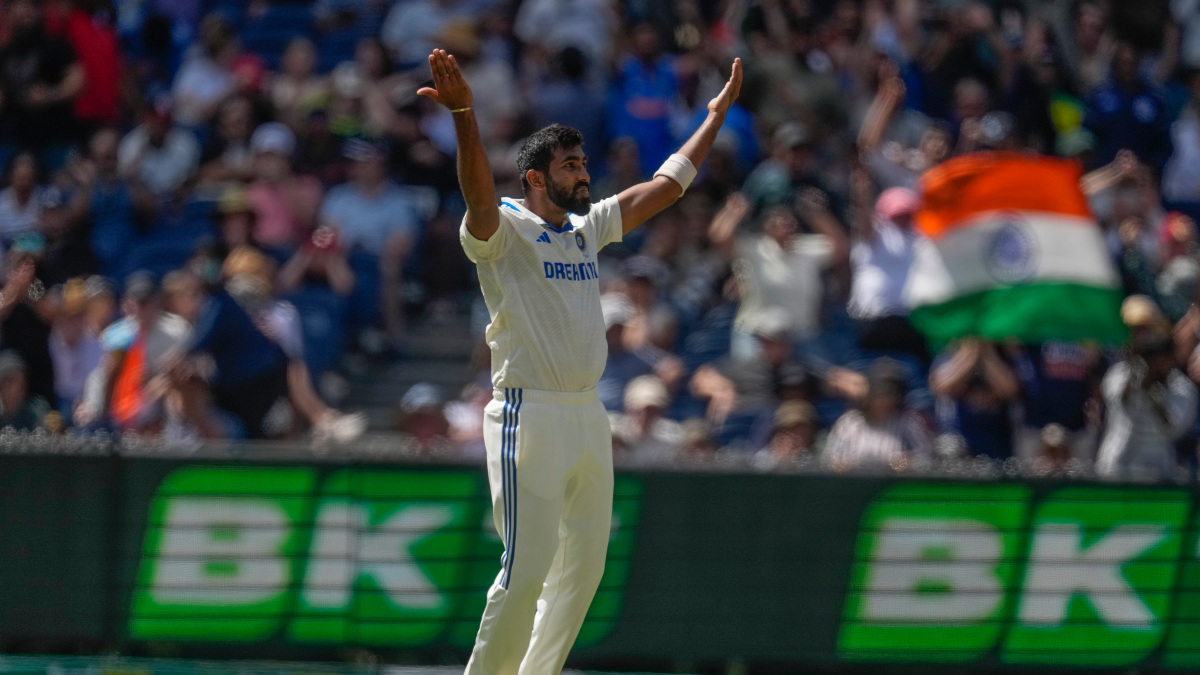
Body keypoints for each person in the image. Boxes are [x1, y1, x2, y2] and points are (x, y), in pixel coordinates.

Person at [417, 47, 742, 673]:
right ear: (537, 178)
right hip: (528, 412)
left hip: (589, 415)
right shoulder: (506, 227)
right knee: (526, 569)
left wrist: (715, 116)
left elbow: (666, 187)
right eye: (571, 165)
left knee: (585, 570)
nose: (584, 173)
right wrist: (464, 115)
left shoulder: (585, 227)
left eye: (584, 162)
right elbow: (479, 198)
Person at [1097, 332, 1196, 480]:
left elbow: (1173, 428)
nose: (1157, 366)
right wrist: (1136, 377)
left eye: (1163, 360)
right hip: (1118, 464)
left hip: (1158, 469)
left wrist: (1153, 394)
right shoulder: (1121, 373)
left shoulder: (1181, 387)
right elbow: (1119, 401)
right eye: (1151, 360)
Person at [825, 358, 932, 469]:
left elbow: (926, 458)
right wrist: (842, 464)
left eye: (891, 394)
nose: (885, 399)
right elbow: (831, 458)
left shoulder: (908, 421)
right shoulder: (850, 422)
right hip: (855, 482)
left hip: (896, 483)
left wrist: (909, 461)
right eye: (880, 394)